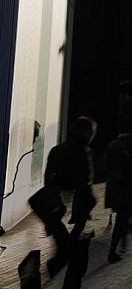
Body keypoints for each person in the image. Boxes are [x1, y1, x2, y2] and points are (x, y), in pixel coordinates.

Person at [30, 116, 97, 278]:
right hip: (70, 205)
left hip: (51, 206)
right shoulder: (83, 151)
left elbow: (48, 180)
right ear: (87, 133)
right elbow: (84, 182)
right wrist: (85, 210)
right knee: (72, 254)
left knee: (63, 248)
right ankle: (48, 272)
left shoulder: (57, 150)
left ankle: (50, 271)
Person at [104, 122, 132, 263]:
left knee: (120, 216)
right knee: (122, 218)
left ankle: (120, 244)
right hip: (128, 187)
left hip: (113, 187)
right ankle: (114, 250)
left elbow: (105, 166)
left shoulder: (112, 144)